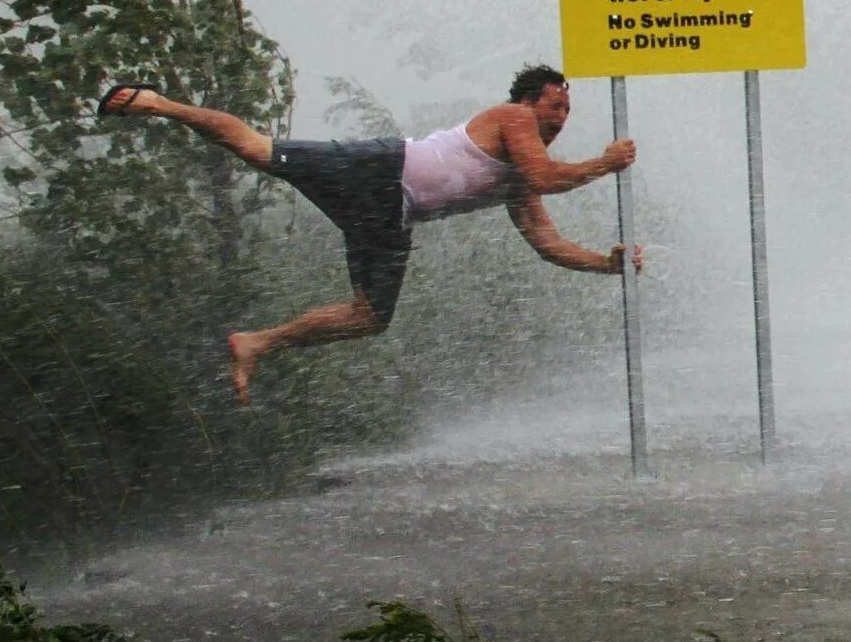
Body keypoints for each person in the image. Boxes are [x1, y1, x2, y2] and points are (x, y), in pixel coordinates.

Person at [97, 63, 641, 402]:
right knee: (257, 150)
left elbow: (546, 243)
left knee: (369, 318)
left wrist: (606, 264)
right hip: (381, 168)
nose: (562, 117)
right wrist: (603, 163)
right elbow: (552, 175)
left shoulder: (521, 180)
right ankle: (156, 102)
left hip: (389, 218)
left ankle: (257, 342)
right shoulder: (512, 118)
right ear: (530, 103)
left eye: (568, 109)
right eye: (556, 105)